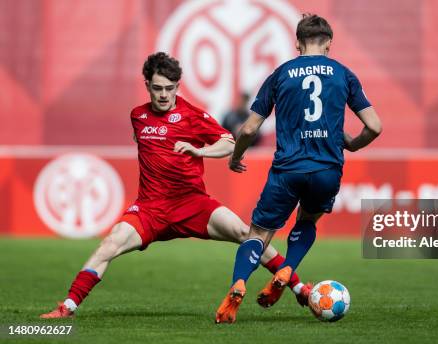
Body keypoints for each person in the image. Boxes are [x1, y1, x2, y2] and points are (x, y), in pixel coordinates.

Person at [40, 52, 310, 319]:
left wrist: (199, 152)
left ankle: (297, 287)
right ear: (147, 85)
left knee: (245, 232)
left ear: (178, 87)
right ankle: (67, 308)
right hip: (150, 209)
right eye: (157, 88)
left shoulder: (191, 115)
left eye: (170, 89)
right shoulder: (138, 117)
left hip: (191, 204)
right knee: (109, 244)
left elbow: (228, 142)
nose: (163, 95)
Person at [215, 14, 382, 324]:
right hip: (326, 169)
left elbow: (249, 129)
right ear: (330, 42)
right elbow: (374, 126)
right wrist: (353, 144)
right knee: (307, 219)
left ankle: (238, 284)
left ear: (297, 43)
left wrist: (235, 156)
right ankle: (288, 267)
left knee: (259, 234)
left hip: (287, 169)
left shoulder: (280, 74)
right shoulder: (344, 74)